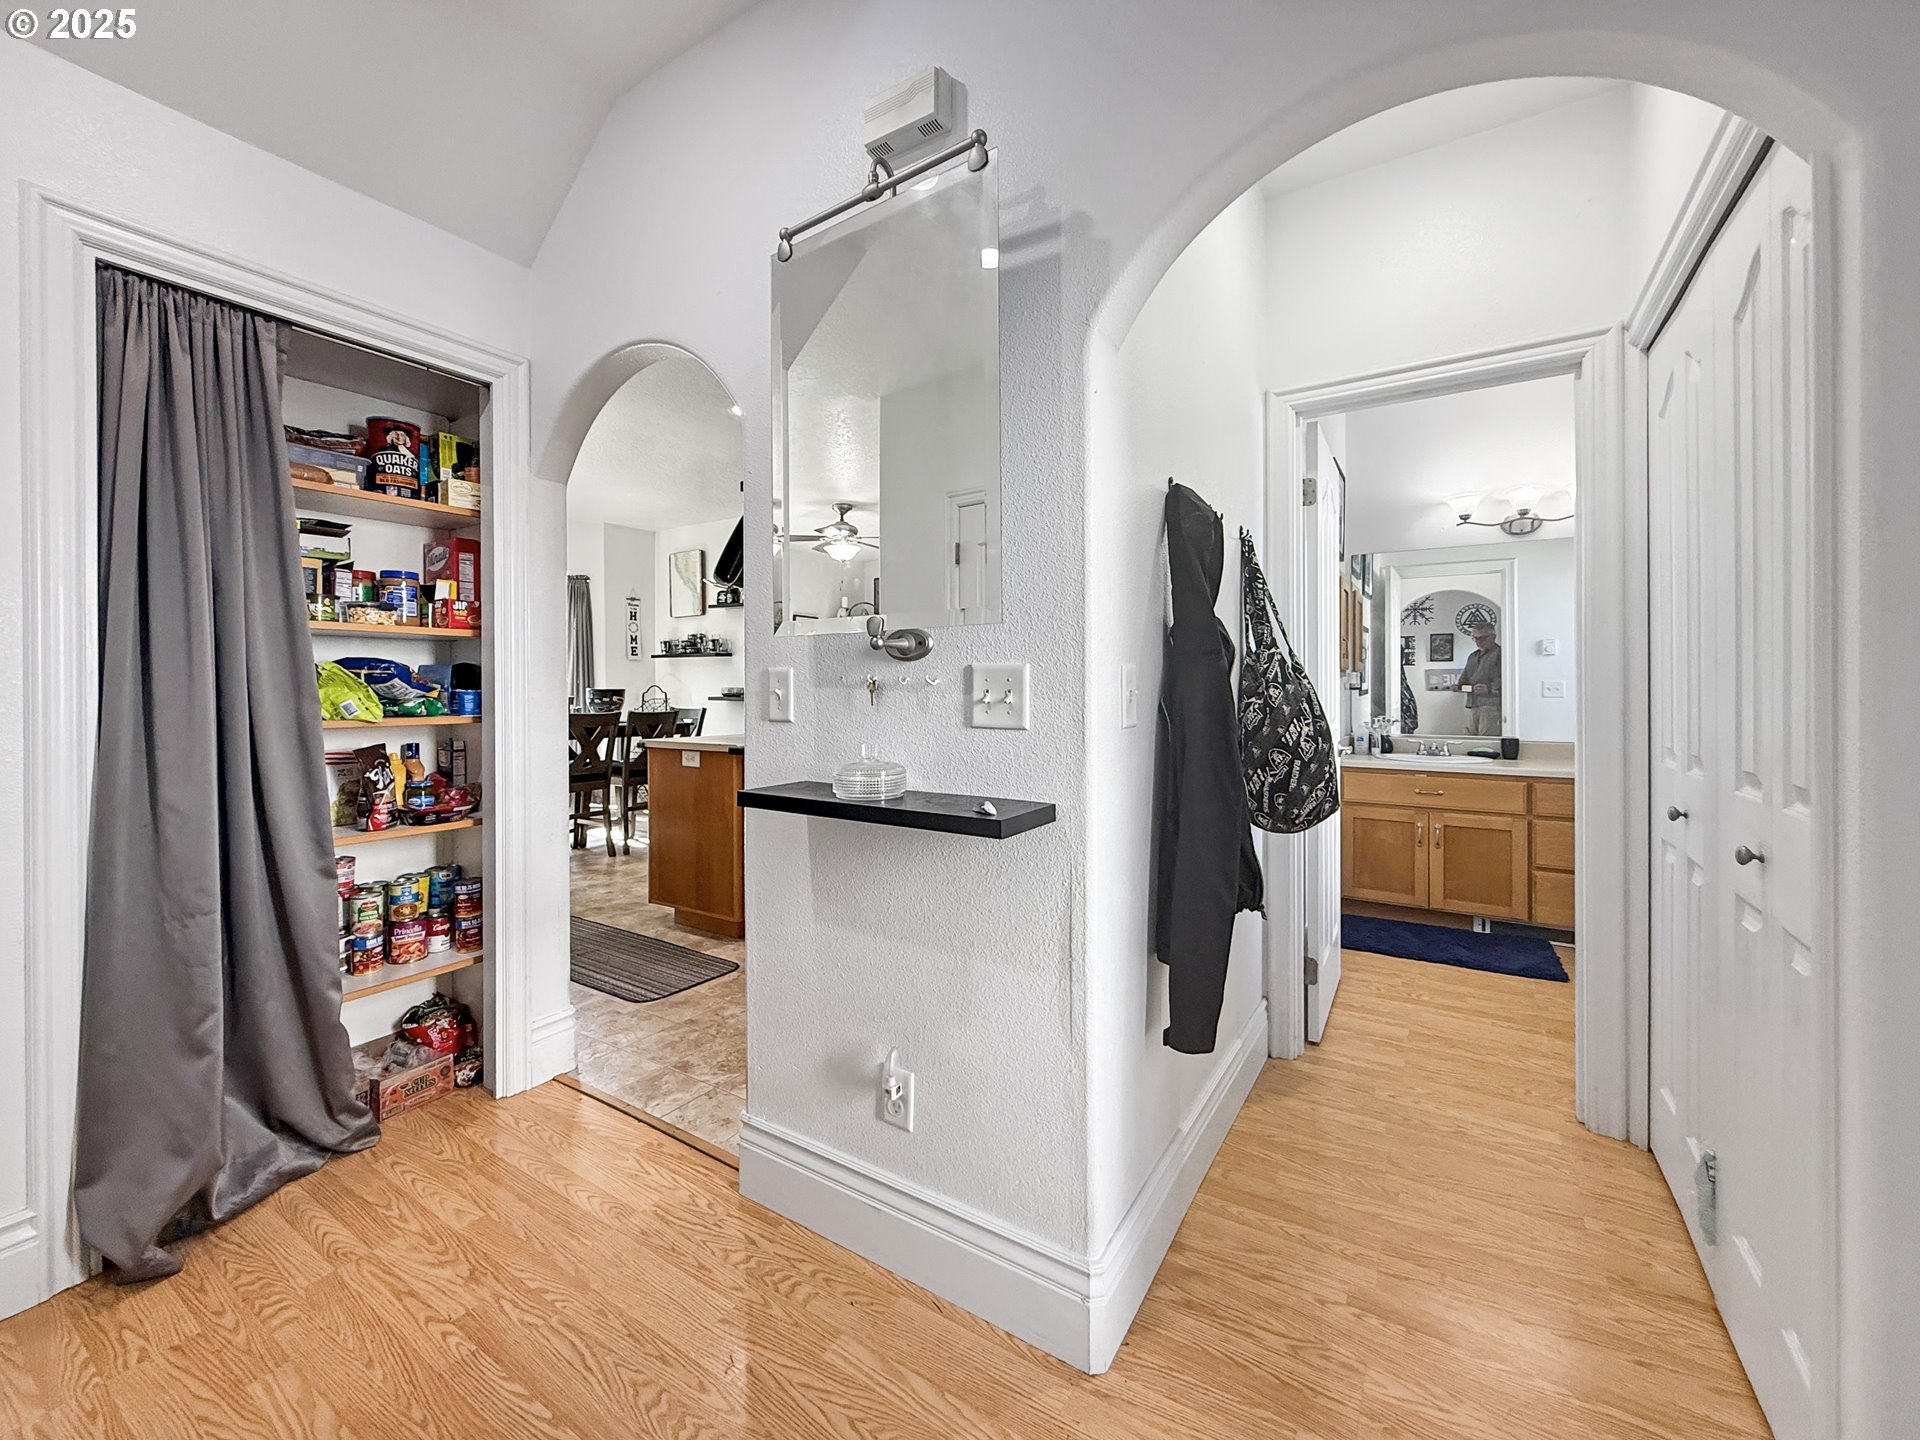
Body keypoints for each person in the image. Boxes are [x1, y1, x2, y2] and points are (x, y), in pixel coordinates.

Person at [1454, 622, 1503, 736]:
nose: (1478, 641)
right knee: (1470, 738)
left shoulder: (1500, 654)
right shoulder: (1472, 656)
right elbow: (1464, 679)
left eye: (1482, 638)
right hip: (1472, 704)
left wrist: (1489, 688)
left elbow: (1507, 680)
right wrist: (1458, 686)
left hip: (1491, 705)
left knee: (1486, 740)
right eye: (1475, 638)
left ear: (1493, 637)